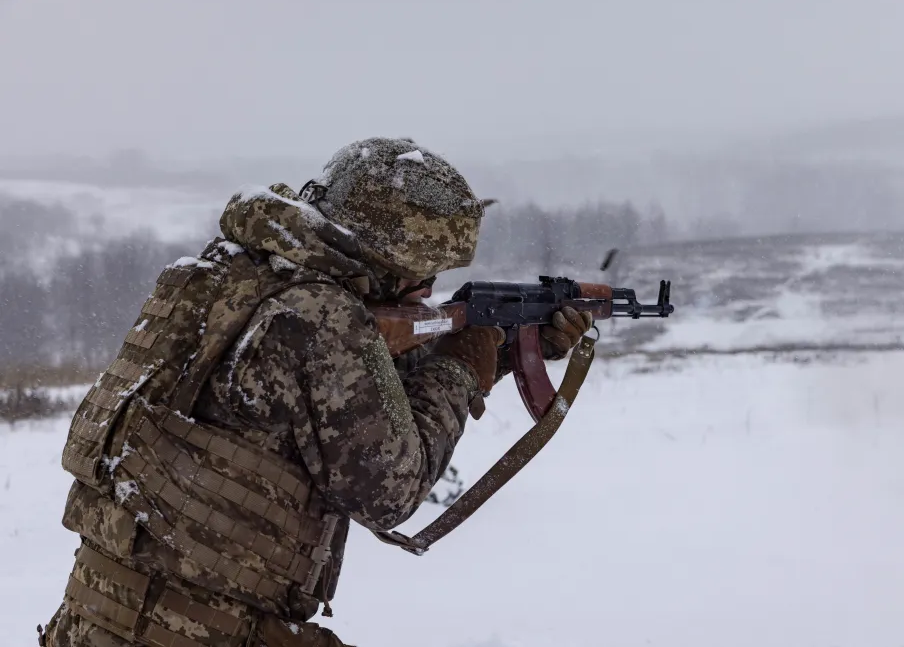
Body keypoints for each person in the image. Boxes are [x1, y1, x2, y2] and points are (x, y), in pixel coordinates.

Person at [40, 137, 594, 647]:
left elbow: (327, 403)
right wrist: (457, 373)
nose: (427, 291)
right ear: (389, 259)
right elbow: (389, 491)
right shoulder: (322, 317)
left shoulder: (232, 277)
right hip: (189, 629)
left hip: (104, 612)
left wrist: (498, 353)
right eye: (424, 276)